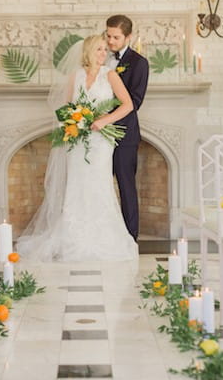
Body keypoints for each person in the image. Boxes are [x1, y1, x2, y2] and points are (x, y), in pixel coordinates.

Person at [16, 34, 138, 262]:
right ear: (88, 52)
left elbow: (128, 105)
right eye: (99, 49)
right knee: (76, 185)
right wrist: (73, 122)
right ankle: (71, 238)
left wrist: (104, 121)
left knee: (99, 185)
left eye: (105, 50)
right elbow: (66, 108)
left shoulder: (110, 75)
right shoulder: (76, 76)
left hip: (101, 141)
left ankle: (103, 238)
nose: (104, 54)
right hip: (78, 141)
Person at [105, 14, 149, 242]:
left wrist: (106, 116)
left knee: (126, 186)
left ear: (128, 37)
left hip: (125, 134)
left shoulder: (139, 63)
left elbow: (135, 102)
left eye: (116, 37)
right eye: (108, 35)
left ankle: (130, 238)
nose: (110, 41)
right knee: (100, 185)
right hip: (100, 136)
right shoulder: (100, 58)